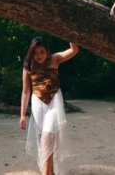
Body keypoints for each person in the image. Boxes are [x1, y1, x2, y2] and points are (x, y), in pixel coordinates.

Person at [19, 36, 79, 175]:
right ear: (31, 52)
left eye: (42, 52)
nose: (39, 56)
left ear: (47, 51)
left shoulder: (55, 59)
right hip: (37, 104)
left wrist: (69, 34)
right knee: (44, 142)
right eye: (35, 53)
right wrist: (22, 114)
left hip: (54, 103)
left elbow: (74, 50)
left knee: (47, 139)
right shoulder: (28, 65)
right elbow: (26, 91)